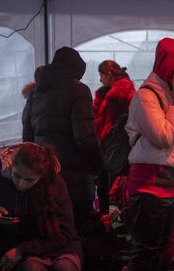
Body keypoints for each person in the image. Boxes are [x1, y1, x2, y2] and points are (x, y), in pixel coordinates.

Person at [124, 37, 174, 271]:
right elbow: (163, 137)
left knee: (162, 248)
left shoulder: (168, 94)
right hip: (150, 186)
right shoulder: (147, 96)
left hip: (167, 184)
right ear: (170, 69)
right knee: (147, 250)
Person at [22, 46, 103, 231]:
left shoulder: (35, 93)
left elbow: (27, 138)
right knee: (76, 232)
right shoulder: (79, 90)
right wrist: (98, 165)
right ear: (75, 71)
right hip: (76, 181)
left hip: (43, 177)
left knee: (49, 231)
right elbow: (86, 137)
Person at [0, 142, 82, 271]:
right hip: (10, 245)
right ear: (12, 165)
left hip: (56, 245)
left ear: (40, 176)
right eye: (17, 176)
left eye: (29, 180)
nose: (21, 184)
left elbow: (65, 232)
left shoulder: (54, 182)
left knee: (65, 270)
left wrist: (22, 250)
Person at [93, 60, 135, 213]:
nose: (100, 79)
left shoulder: (124, 94)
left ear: (109, 74)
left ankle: (116, 225)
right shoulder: (105, 93)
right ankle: (106, 222)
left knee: (114, 189)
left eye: (101, 75)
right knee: (105, 187)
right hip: (107, 148)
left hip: (118, 150)